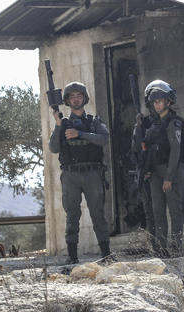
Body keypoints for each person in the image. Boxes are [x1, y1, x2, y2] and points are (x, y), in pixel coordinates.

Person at [132, 80, 184, 255]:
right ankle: (161, 249)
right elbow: (139, 148)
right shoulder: (152, 125)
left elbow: (175, 151)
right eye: (155, 102)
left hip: (171, 172)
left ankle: (176, 249)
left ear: (168, 101)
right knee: (159, 213)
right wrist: (138, 129)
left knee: (176, 212)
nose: (157, 104)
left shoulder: (173, 123)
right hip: (155, 174)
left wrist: (168, 177)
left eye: (160, 101)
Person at [49, 82, 111, 264]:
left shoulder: (94, 121)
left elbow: (104, 139)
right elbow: (53, 148)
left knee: (98, 214)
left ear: (84, 98)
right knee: (72, 215)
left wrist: (80, 134)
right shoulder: (64, 123)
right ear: (67, 101)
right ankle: (72, 256)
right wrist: (59, 126)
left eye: (79, 96)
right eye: (72, 96)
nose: (76, 99)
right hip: (71, 175)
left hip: (92, 173)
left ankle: (106, 254)